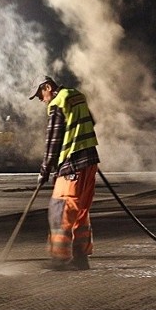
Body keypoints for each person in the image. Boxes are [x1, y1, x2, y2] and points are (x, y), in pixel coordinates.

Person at [29, 76, 100, 271]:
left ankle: (59, 258)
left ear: (48, 87)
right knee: (81, 211)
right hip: (90, 162)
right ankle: (81, 257)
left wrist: (45, 169)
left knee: (61, 211)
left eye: (40, 95)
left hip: (72, 165)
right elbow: (90, 121)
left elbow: (53, 140)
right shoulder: (77, 96)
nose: (41, 100)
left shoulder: (57, 103)